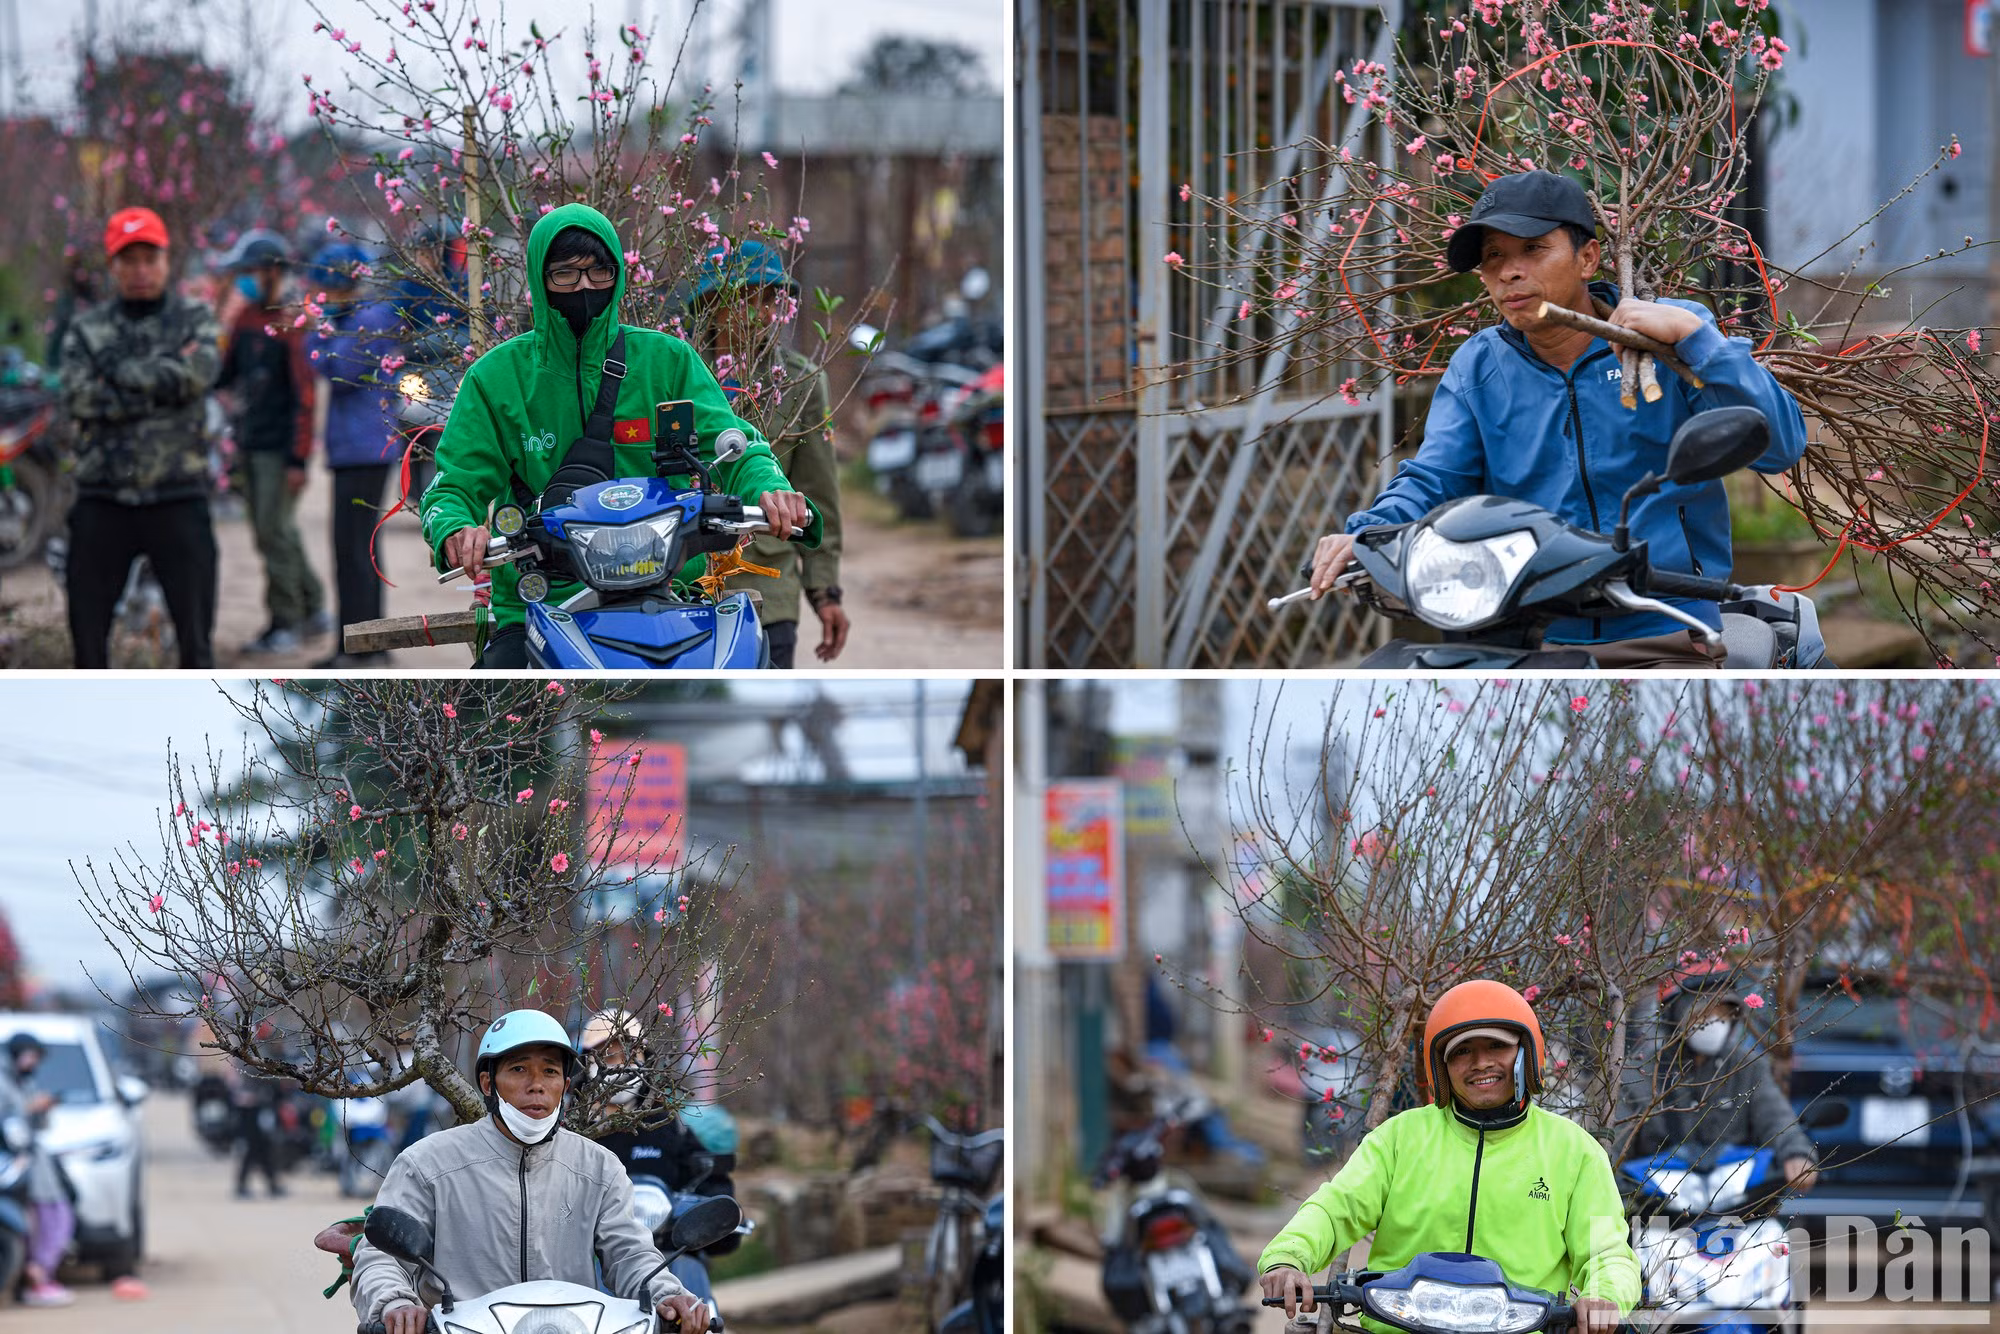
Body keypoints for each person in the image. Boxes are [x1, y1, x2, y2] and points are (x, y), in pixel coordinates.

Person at [1303, 170, 1810, 670]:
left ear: (1587, 257)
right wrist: (1369, 535)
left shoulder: (1667, 339)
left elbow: (1780, 446)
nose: (1509, 272)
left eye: (1533, 249)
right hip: (1525, 634)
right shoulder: (1478, 367)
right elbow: (1435, 478)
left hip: (1664, 629)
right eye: (1493, 257)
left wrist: (1699, 340)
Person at [419, 204, 819, 668]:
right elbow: (453, 485)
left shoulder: (667, 361)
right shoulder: (496, 378)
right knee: (499, 721)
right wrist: (454, 529)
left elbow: (735, 446)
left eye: (599, 271)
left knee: (756, 688)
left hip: (670, 591)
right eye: (565, 274)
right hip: (543, 604)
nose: (585, 287)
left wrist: (770, 489)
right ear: (538, 277)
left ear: (618, 274)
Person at [1258, 980, 1639, 1334]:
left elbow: (1606, 1251)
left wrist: (1603, 1296)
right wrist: (1289, 1259)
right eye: (1462, 1052)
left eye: (1496, 1046)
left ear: (1527, 1052)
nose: (1481, 1063)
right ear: (1440, 1067)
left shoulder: (1574, 1150)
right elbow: (1334, 1208)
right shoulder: (1399, 1137)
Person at [348, 1009, 709, 1334]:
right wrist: (395, 1303)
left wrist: (668, 1294)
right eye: (519, 1069)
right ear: (489, 1084)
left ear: (565, 1086)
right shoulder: (427, 1162)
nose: (536, 1084)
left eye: (550, 1071)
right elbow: (379, 1253)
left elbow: (630, 1253)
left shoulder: (599, 1168)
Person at [54, 206, 223, 668]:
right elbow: (79, 399)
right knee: (87, 650)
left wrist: (117, 374)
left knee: (196, 648)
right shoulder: (88, 329)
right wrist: (163, 382)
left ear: (166, 261)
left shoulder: (195, 318)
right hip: (102, 499)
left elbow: (198, 376)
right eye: (129, 260)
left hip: (178, 496)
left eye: (149, 258)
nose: (141, 270)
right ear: (114, 266)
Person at [691, 240, 848, 667]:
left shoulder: (800, 384)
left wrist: (824, 592)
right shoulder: (675, 379)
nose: (756, 313)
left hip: (768, 594)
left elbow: (819, 495)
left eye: (766, 299)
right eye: (741, 298)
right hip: (682, 588)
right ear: (711, 304)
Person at [214, 227, 330, 656]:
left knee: (274, 533)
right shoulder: (244, 320)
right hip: (251, 442)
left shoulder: (293, 324)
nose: (245, 279)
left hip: (281, 452)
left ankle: (286, 621)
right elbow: (224, 375)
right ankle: (313, 606)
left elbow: (305, 397)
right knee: (274, 532)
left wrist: (298, 458)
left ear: (273, 273)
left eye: (252, 271)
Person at [1616, 967, 1818, 1190]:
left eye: (1722, 1014)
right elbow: (1616, 1138)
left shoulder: (1747, 1067)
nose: (1713, 1023)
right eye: (1702, 1014)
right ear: (1676, 1017)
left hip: (1737, 1203)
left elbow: (1776, 1117)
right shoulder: (1641, 1074)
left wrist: (1796, 1153)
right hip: (1656, 1207)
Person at [303, 242, 403, 666]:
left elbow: (340, 372)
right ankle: (352, 643)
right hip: (351, 449)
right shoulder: (350, 319)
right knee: (347, 549)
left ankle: (367, 647)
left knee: (358, 550)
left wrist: (320, 327)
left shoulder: (371, 319)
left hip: (367, 449)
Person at [5, 1035, 75, 1306]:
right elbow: (10, 1123)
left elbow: (35, 1126)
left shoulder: (22, 1080)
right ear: (20, 1054)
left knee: (56, 1217)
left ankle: (41, 1275)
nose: (34, 1063)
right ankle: (36, 1278)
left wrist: (41, 1110)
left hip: (34, 1162)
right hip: (18, 1165)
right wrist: (28, 1109)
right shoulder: (4, 1081)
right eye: (31, 1056)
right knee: (46, 1220)